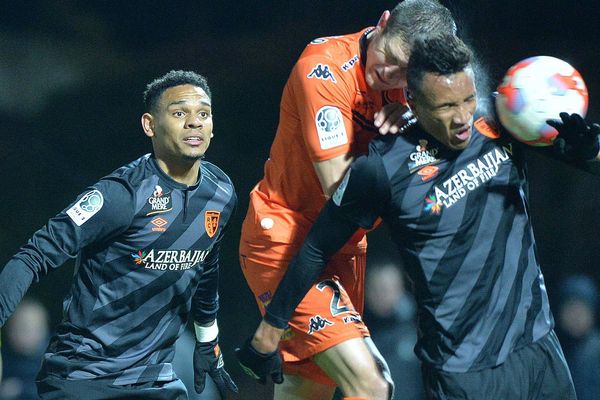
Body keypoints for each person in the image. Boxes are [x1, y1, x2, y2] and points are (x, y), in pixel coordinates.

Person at [240, 33, 600, 399]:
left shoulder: (502, 118)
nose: (461, 117)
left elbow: (585, 160)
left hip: (538, 349)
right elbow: (316, 248)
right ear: (410, 98)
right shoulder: (380, 168)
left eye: (467, 99)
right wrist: (270, 330)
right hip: (463, 372)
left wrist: (590, 153)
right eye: (445, 106)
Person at [236, 1, 457, 399]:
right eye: (390, 58)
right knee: (372, 385)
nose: (389, 76)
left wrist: (414, 127)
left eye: (406, 73)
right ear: (383, 23)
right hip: (287, 239)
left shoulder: (416, 89)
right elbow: (339, 191)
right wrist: (403, 143)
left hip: (344, 247)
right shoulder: (321, 69)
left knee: (307, 392)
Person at [0, 70, 238, 400]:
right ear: (149, 125)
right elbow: (33, 257)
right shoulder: (121, 195)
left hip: (156, 380)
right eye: (179, 113)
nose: (194, 123)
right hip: (85, 377)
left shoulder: (221, 193)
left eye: (203, 113)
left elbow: (206, 267)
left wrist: (208, 341)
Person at [556, 274, 600, 400]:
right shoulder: (554, 350)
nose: (576, 316)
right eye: (571, 308)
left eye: (582, 310)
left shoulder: (596, 351)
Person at [0, 298, 49, 400]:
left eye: (35, 329)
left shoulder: (53, 356)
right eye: (21, 329)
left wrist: (21, 388)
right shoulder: (5, 358)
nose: (30, 335)